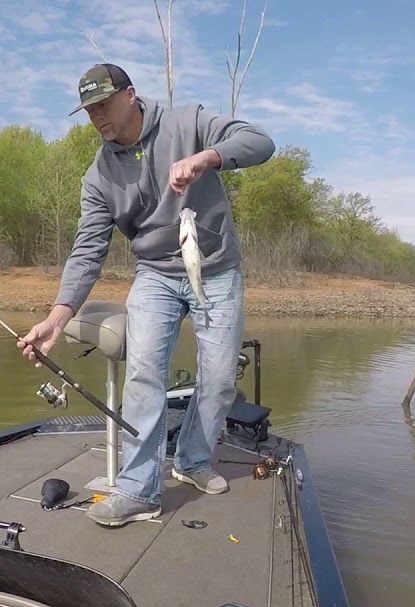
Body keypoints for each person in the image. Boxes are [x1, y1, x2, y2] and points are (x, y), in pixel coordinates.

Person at [18, 63, 275, 527]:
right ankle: (139, 490)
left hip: (214, 271)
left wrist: (206, 158)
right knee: (143, 374)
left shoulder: (186, 123)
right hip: (155, 274)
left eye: (103, 104)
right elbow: (87, 251)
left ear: (130, 95)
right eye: (88, 110)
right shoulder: (98, 177)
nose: (97, 116)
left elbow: (260, 142)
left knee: (218, 380)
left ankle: (192, 460)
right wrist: (56, 318)